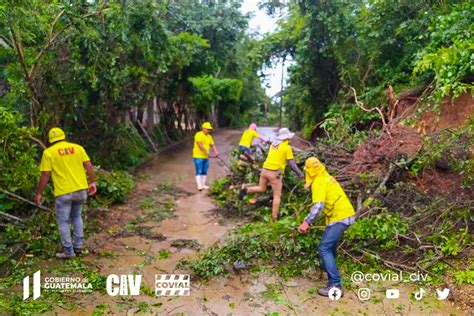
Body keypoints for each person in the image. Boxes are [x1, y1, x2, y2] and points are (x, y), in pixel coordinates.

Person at [34, 127, 97, 259]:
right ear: (64, 136)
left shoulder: (49, 153)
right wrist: (92, 182)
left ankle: (68, 251)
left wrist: (39, 193)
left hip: (64, 193)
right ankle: (79, 245)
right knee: (76, 216)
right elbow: (89, 165)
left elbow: (45, 174)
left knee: (63, 221)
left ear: (51, 140)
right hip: (81, 190)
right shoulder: (78, 148)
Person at [298, 157, 355, 297]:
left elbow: (318, 206)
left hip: (340, 218)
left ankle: (335, 285)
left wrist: (307, 222)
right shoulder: (326, 177)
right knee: (330, 247)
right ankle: (328, 269)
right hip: (345, 215)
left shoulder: (318, 182)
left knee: (324, 248)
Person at [240, 127, 304, 221]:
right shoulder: (287, 148)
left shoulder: (273, 144)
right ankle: (274, 218)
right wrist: (300, 174)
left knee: (261, 188)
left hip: (264, 170)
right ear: (288, 137)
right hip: (275, 173)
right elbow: (291, 164)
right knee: (277, 196)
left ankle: (246, 190)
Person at [193, 122, 219, 191]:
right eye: (208, 129)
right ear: (203, 128)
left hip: (205, 157)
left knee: (204, 171)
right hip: (198, 156)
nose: (209, 130)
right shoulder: (198, 134)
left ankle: (203, 184)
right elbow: (199, 144)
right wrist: (206, 151)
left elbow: (213, 145)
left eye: (209, 129)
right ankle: (199, 185)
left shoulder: (209, 137)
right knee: (199, 170)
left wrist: (215, 151)